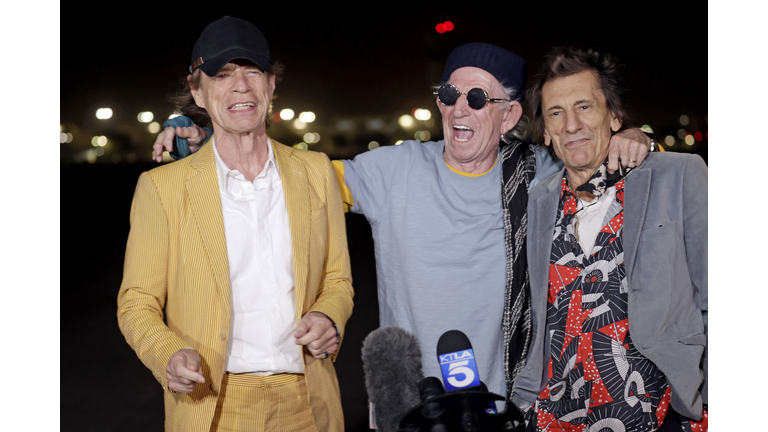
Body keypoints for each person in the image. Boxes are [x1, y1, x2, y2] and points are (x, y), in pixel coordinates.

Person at [153, 43, 653, 404]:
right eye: (449, 94)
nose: (459, 109)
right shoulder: (393, 170)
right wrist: (208, 135)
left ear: (508, 116)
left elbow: (591, 152)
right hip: (409, 402)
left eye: (478, 99)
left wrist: (632, 136)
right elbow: (287, 179)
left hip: (511, 401)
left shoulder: (539, 173)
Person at [117, 16, 354, 432]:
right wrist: (167, 354)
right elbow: (137, 301)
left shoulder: (316, 171)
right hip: (213, 404)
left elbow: (338, 279)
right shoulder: (161, 188)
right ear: (197, 91)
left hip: (308, 403)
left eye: (253, 72)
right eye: (222, 74)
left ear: (271, 85)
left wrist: (328, 316)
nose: (241, 86)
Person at [511, 47, 707, 432]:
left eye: (584, 107)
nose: (571, 125)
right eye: (556, 113)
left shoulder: (677, 175)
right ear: (546, 132)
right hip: (558, 415)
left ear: (615, 116)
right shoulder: (538, 201)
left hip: (656, 412)